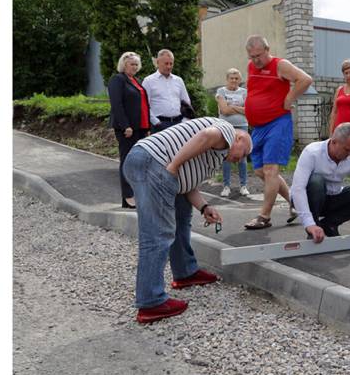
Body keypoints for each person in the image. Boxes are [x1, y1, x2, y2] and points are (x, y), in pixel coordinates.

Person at [122, 117, 252, 323]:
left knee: (182, 216)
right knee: (157, 234)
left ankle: (185, 272)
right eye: (244, 153)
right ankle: (151, 303)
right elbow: (206, 136)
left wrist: (204, 207)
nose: (242, 160)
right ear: (238, 139)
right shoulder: (226, 130)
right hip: (155, 163)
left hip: (149, 162)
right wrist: (174, 165)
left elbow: (187, 185)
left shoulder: (216, 155)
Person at [243, 35, 313, 230]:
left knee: (271, 170)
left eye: (258, 55)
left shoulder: (280, 65)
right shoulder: (251, 67)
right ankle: (295, 201)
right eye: (251, 56)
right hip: (258, 127)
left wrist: (289, 98)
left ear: (267, 50)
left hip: (277, 123)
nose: (255, 60)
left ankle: (264, 216)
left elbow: (305, 79)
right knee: (259, 171)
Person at [290, 122, 350, 247]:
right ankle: (314, 228)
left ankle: (329, 224)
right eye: (347, 149)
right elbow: (298, 189)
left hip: (334, 196)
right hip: (310, 198)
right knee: (316, 181)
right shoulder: (312, 152)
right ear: (334, 142)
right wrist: (309, 224)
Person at [108, 51, 151, 209]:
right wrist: (125, 125)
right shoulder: (117, 80)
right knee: (127, 161)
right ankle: (127, 197)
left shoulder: (136, 81)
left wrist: (147, 128)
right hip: (127, 129)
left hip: (140, 128)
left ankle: (137, 194)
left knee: (139, 162)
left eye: (136, 64)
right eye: (131, 64)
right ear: (123, 65)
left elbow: (144, 106)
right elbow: (117, 105)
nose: (134, 67)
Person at [215, 68, 250, 197]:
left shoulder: (245, 92)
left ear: (240, 80)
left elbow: (248, 110)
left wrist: (232, 107)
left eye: (236, 78)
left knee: (242, 156)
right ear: (227, 79)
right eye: (232, 78)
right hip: (226, 127)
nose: (234, 81)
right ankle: (226, 186)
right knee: (226, 156)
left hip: (242, 126)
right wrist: (239, 109)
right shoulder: (221, 91)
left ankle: (243, 185)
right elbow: (224, 110)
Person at [142, 49, 192, 133]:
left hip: (179, 124)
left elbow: (186, 101)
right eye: (166, 63)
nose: (169, 66)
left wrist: (185, 120)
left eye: (171, 63)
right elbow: (144, 105)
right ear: (158, 62)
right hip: (160, 125)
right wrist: (156, 122)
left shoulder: (178, 80)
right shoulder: (148, 81)